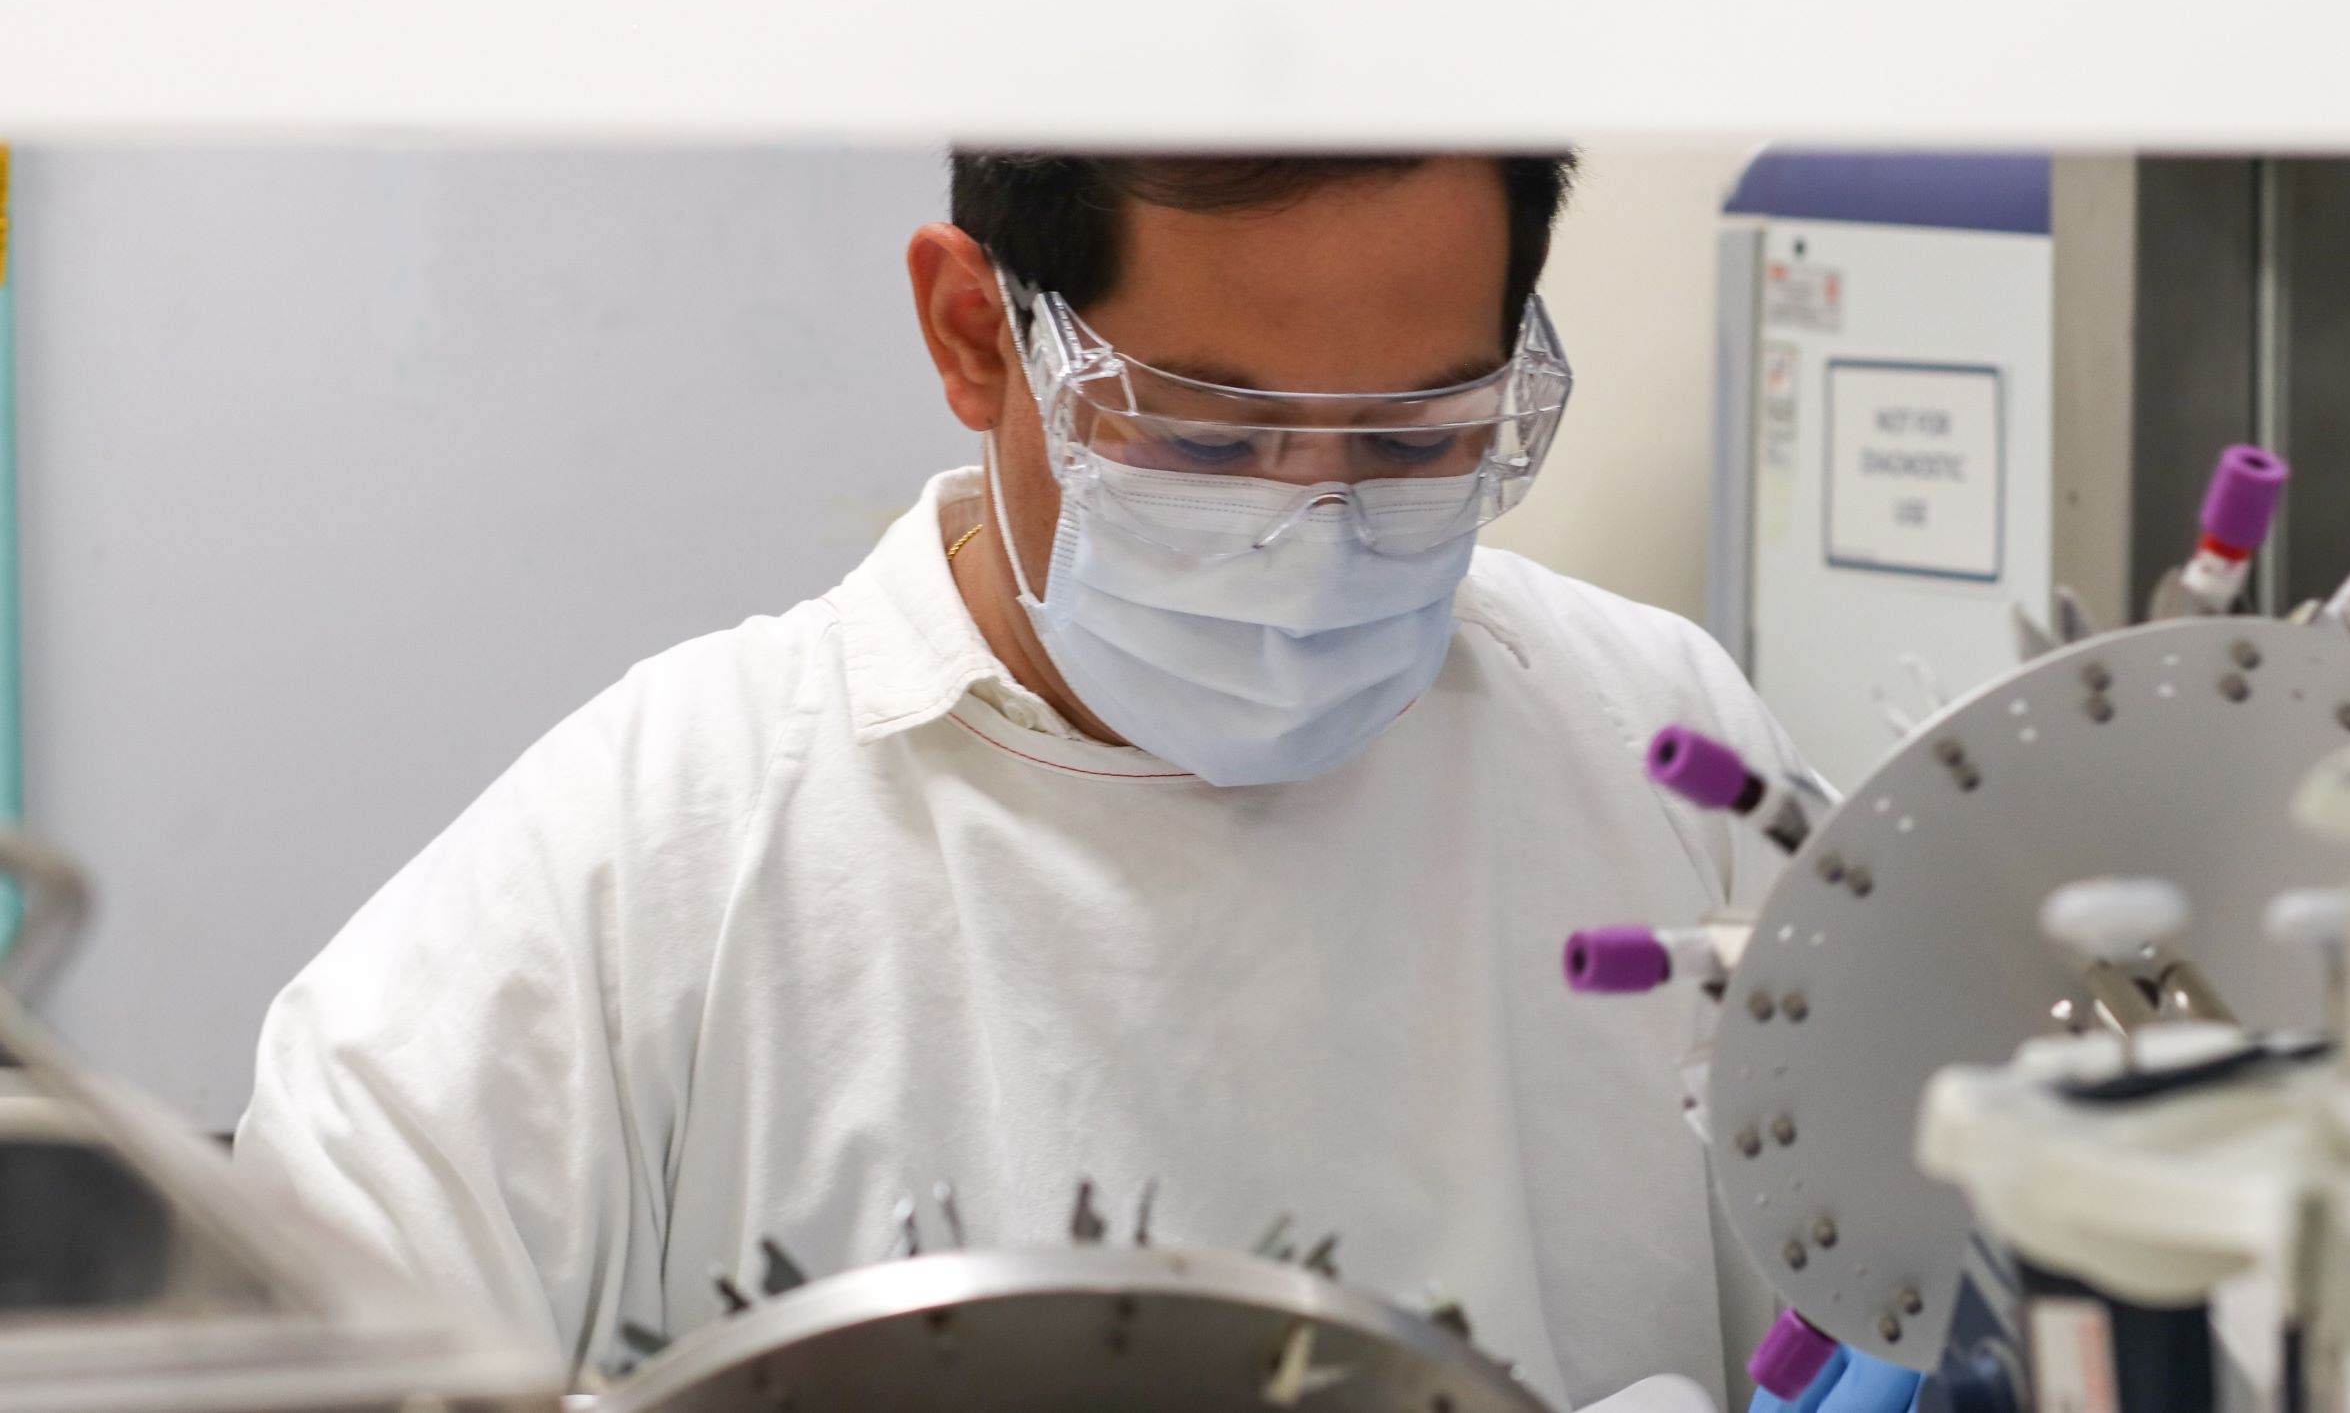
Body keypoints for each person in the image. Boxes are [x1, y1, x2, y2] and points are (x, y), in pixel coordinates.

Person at [235, 151, 1882, 1410]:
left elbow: (1909, 1314)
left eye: (1412, 440)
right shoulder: (655, 857)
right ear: (977, 332)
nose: (1310, 543)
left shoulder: (1660, 758)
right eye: (1208, 438)